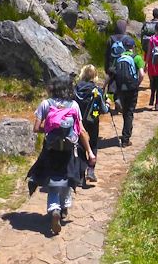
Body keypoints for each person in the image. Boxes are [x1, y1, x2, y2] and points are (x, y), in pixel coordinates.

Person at [27, 75, 96, 235]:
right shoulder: (74, 105)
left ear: (53, 87)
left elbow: (36, 128)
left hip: (50, 150)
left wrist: (50, 130)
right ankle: (64, 206)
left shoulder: (46, 104)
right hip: (69, 150)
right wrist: (90, 152)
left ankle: (54, 209)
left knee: (52, 181)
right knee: (68, 178)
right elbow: (82, 131)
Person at [74, 65, 109, 185]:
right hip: (92, 119)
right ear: (94, 76)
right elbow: (104, 110)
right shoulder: (96, 90)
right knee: (93, 144)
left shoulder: (76, 89)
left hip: (78, 120)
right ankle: (91, 170)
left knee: (80, 145)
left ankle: (80, 176)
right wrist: (108, 104)